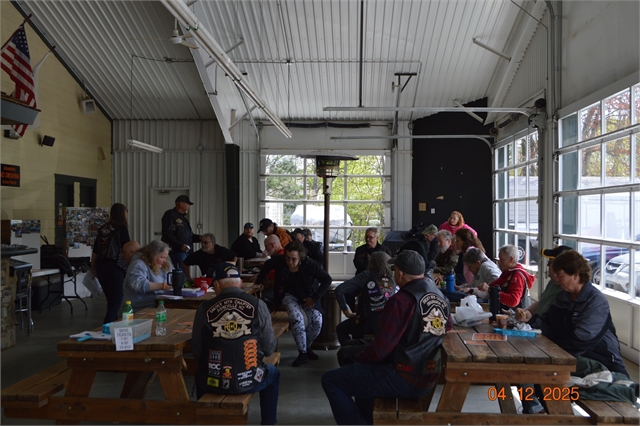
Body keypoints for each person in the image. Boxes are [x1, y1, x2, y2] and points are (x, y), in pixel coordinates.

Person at [321, 250, 451, 425]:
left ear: (400, 273)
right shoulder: (441, 297)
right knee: (352, 352)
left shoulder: (401, 301)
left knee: (331, 380)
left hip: (403, 376)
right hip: (428, 375)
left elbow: (380, 351)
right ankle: (367, 418)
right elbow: (447, 327)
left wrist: (360, 358)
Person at [516, 250, 634, 412]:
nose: (557, 280)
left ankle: (552, 413)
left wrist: (551, 351)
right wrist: (531, 318)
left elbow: (581, 340)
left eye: (561, 275)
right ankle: (547, 412)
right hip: (568, 355)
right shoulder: (562, 297)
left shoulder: (595, 301)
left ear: (576, 275)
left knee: (543, 374)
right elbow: (549, 326)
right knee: (534, 373)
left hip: (602, 361)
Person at [191, 262, 280, 425]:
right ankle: (269, 423)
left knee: (201, 374)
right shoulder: (258, 304)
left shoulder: (204, 308)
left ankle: (207, 421)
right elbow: (269, 349)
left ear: (216, 285)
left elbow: (197, 351)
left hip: (213, 381)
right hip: (251, 379)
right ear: (240, 283)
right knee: (274, 373)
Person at [271, 241, 332, 366]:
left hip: (308, 295)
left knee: (317, 321)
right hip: (288, 295)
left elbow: (327, 279)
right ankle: (302, 353)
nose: (290, 262)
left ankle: (307, 346)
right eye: (288, 258)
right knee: (296, 318)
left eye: (294, 259)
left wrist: (314, 298)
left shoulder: (310, 264)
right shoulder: (280, 262)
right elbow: (267, 265)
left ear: (300, 258)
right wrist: (259, 278)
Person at [335, 252, 395, 345]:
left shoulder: (367, 275)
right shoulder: (393, 278)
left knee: (341, 328)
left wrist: (347, 312)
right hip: (389, 323)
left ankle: (350, 351)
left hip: (368, 322)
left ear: (372, 263)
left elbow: (339, 290)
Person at [91, 203, 131, 324]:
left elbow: (95, 251)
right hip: (115, 266)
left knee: (110, 299)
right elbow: (127, 247)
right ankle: (107, 326)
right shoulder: (121, 228)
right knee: (117, 300)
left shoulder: (102, 228)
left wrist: (93, 268)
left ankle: (113, 326)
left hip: (101, 266)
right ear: (122, 213)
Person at [123, 240, 173, 311]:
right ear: (153, 256)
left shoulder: (165, 264)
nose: (165, 261)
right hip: (139, 308)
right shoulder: (138, 264)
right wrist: (163, 286)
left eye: (165, 257)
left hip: (158, 304)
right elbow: (137, 284)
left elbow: (173, 276)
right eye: (162, 257)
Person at [480, 244, 534, 309]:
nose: (499, 262)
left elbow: (513, 301)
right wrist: (477, 289)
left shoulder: (517, 276)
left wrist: (490, 290)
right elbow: (494, 285)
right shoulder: (507, 273)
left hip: (516, 314)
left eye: (501, 260)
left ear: (511, 259)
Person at [161, 195, 201, 268]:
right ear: (181, 204)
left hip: (186, 251)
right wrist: (180, 245)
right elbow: (167, 233)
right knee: (181, 272)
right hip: (177, 251)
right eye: (187, 204)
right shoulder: (170, 214)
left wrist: (201, 238)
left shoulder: (183, 218)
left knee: (184, 271)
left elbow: (189, 236)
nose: (188, 206)